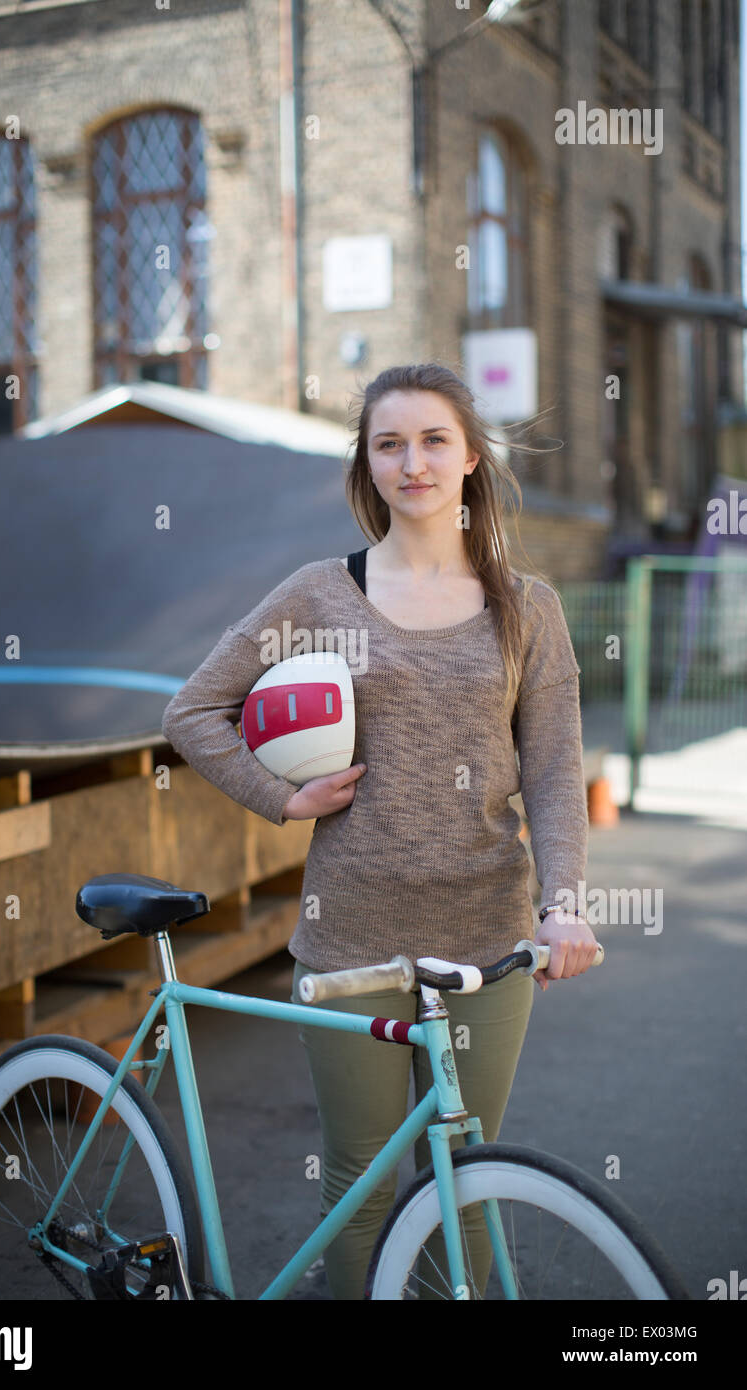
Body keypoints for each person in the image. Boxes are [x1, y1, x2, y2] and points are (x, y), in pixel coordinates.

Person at [161, 361, 598, 1300]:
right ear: (368, 462)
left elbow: (557, 772)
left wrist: (563, 907)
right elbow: (195, 711)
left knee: (465, 1187)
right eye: (389, 443)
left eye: (435, 440)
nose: (414, 462)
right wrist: (280, 798)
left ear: (472, 457)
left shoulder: (530, 609)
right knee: (358, 1187)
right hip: (350, 942)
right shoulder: (319, 593)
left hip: (485, 946)